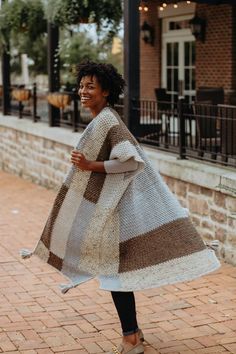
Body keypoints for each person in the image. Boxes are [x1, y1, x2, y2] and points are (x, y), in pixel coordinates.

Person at [21, 61, 220, 354]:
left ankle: (131, 339)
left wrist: (90, 165)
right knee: (116, 272)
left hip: (118, 212)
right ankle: (133, 332)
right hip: (114, 210)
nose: (83, 91)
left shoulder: (108, 121)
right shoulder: (102, 119)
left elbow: (129, 162)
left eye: (91, 86)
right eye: (82, 85)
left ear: (106, 91)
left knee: (115, 273)